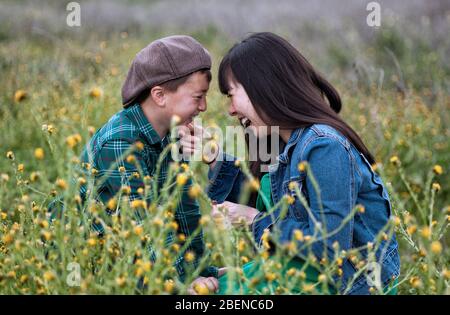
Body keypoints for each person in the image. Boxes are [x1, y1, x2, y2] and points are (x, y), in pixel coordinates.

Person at [202, 32, 400, 294]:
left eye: (231, 94)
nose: (230, 110)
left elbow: (329, 249)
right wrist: (215, 157)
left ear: (262, 86)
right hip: (309, 276)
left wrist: (253, 219)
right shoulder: (282, 143)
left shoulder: (324, 146)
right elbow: (259, 199)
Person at [51, 35, 223, 293]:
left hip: (129, 254)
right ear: (160, 95)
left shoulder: (172, 134)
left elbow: (184, 210)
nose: (204, 106)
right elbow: (144, 227)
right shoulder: (121, 141)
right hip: (82, 261)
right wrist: (178, 285)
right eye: (197, 97)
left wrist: (200, 271)